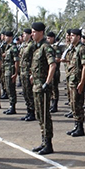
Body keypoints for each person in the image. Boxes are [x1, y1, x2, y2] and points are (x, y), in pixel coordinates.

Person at [30, 22, 57, 155]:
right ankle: (43, 141)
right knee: (39, 114)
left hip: (42, 86)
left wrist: (47, 82)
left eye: (34, 32)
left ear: (41, 32)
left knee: (45, 115)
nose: (32, 34)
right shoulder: (37, 48)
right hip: (36, 85)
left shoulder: (46, 47)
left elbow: (52, 65)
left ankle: (48, 144)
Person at [65, 28, 85, 137]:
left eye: (73, 35)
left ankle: (80, 128)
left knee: (78, 104)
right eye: (70, 35)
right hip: (71, 80)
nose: (71, 37)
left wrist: (82, 81)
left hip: (77, 81)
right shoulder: (72, 49)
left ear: (79, 37)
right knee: (73, 104)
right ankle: (76, 125)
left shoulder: (82, 49)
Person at [19, 28, 36, 121]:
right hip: (23, 71)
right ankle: (28, 111)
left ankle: (32, 112)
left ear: (29, 35)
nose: (23, 36)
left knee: (29, 93)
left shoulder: (32, 45)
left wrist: (32, 73)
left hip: (28, 71)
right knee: (25, 92)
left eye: (25, 34)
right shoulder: (24, 45)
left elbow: (34, 60)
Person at [1, 31, 19, 115]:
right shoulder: (7, 47)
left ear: (11, 37)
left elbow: (16, 61)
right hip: (6, 70)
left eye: (7, 36)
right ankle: (10, 105)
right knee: (7, 88)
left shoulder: (13, 47)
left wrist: (15, 72)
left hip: (10, 71)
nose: (5, 38)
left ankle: (13, 107)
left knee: (11, 89)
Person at [47, 31, 63, 113]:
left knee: (54, 88)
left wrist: (50, 60)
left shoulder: (56, 47)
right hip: (49, 71)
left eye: (49, 38)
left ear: (53, 38)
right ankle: (51, 104)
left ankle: (55, 105)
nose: (48, 39)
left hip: (55, 71)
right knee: (50, 89)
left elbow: (58, 59)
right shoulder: (48, 47)